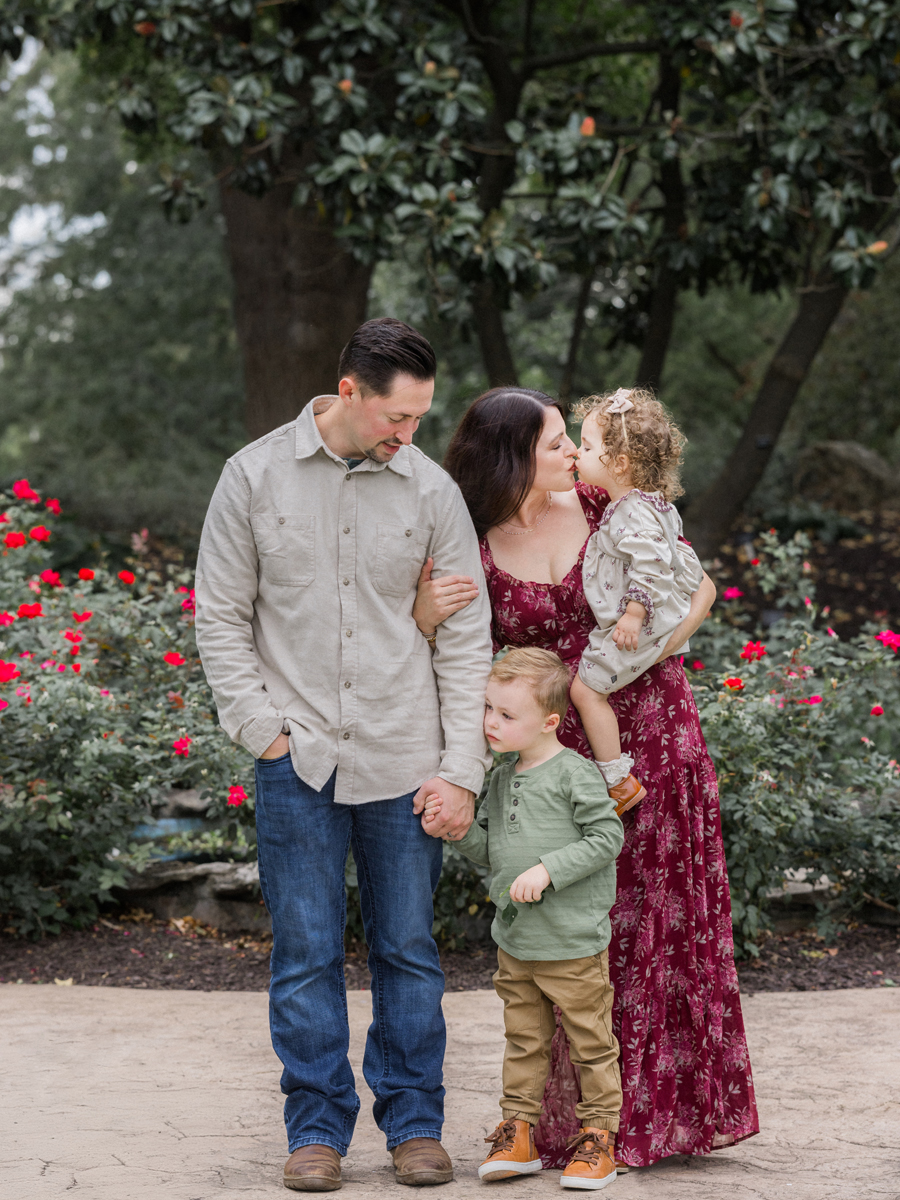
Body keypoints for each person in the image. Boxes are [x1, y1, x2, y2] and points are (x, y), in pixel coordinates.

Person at [412, 386, 759, 1170]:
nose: (573, 453)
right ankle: (568, 1123)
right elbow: (440, 648)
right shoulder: (465, 537)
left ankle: (650, 1121)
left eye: (575, 438)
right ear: (510, 460)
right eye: (555, 442)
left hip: (652, 743)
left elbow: (695, 589)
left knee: (655, 924)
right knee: (571, 940)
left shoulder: (607, 505)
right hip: (550, 765)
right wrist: (425, 617)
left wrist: (648, 652)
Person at [194, 318, 493, 1192]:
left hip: (407, 756)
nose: (409, 434)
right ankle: (315, 1131)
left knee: (407, 948)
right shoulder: (252, 476)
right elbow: (220, 617)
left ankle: (414, 1126)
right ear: (349, 390)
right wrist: (265, 734)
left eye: (421, 417)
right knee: (306, 951)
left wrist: (462, 767)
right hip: (300, 759)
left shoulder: (432, 490)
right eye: (397, 416)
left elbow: (465, 638)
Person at [424, 648, 624, 1190]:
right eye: (489, 709)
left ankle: (600, 1138)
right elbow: (493, 852)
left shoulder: (574, 774)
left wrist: (549, 870)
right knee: (523, 1039)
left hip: (572, 943)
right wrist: (458, 831)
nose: (491, 722)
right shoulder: (500, 776)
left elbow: (609, 837)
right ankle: (519, 1132)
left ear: (550, 722)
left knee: (591, 1042)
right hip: (515, 941)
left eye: (507, 715)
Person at [568, 388, 704, 815]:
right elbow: (681, 560)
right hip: (650, 621)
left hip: (639, 625)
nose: (577, 453)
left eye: (587, 447)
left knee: (586, 691)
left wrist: (634, 613)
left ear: (620, 464)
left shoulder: (632, 512)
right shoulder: (650, 505)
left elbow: (651, 563)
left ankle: (617, 780)